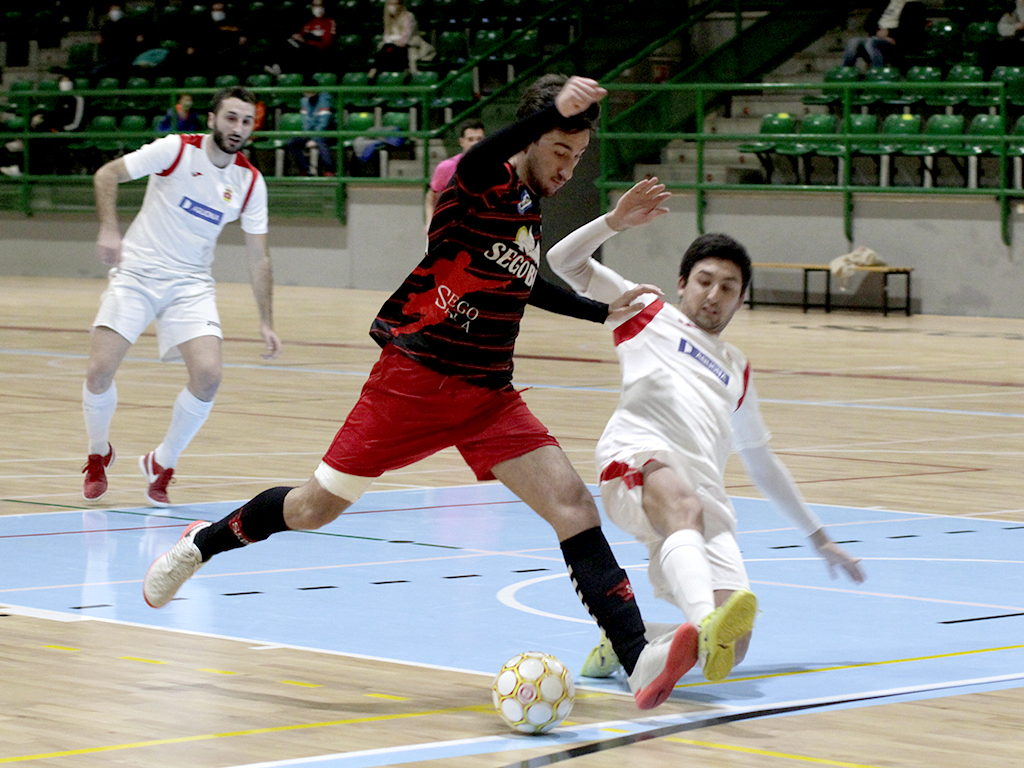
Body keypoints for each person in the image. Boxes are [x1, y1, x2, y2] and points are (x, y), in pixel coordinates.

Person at [142, 74, 701, 712]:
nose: (568, 170)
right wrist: (551, 110)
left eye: (577, 158)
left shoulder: (526, 209)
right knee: (314, 507)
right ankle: (201, 544)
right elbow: (478, 156)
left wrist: (599, 312)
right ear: (532, 136)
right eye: (559, 153)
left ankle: (637, 658)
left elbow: (523, 283)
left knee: (572, 504)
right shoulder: (477, 182)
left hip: (488, 393)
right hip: (413, 379)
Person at [547, 178, 867, 683]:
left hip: (703, 503)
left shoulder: (737, 370)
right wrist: (614, 221)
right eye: (704, 280)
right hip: (638, 460)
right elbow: (563, 262)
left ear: (741, 300)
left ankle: (631, 638)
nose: (714, 295)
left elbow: (762, 462)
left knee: (734, 649)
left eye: (728, 287)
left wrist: (819, 537)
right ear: (681, 283)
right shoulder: (646, 312)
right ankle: (701, 622)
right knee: (685, 513)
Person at [81, 85, 282, 507]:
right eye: (230, 117)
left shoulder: (249, 182)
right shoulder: (175, 150)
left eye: (246, 121)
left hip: (190, 284)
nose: (238, 127)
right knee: (99, 371)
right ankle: (98, 451)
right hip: (137, 271)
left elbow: (258, 257)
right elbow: (107, 174)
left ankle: (162, 461)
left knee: (209, 376)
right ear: (211, 119)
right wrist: (108, 228)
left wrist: (266, 321)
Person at [424, 118, 485, 230]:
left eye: (479, 139)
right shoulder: (446, 167)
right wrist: (430, 223)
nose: (475, 143)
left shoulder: (495, 166)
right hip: (452, 228)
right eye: (470, 139)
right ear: (461, 141)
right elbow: (431, 197)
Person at [841, 1, 925, 69]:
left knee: (871, 43)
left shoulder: (915, 6)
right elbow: (868, 24)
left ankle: (880, 73)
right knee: (853, 42)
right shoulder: (885, 2)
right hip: (877, 36)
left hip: (897, 42)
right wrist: (878, 32)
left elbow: (912, 30)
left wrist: (889, 33)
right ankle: (846, 73)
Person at [287, 91, 337, 176]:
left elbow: (324, 123)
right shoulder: (304, 101)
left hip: (327, 132)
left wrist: (314, 139)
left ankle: (329, 170)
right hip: (310, 133)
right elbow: (305, 121)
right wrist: (308, 136)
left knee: (321, 141)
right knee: (293, 142)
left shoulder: (325, 100)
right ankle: (305, 169)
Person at [372, 0, 417, 75]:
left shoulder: (408, 16)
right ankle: (380, 71)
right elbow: (386, 36)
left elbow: (406, 36)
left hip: (406, 46)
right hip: (392, 46)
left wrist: (395, 42)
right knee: (387, 48)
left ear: (401, 5)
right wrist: (391, 41)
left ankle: (375, 69)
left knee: (388, 50)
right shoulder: (388, 18)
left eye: (396, 4)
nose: (393, 7)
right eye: (390, 4)